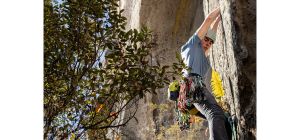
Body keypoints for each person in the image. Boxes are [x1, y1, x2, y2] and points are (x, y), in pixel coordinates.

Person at [179, 7, 228, 140]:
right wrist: (222, 7)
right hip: (193, 85)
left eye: (210, 42)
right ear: (200, 38)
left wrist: (219, 19)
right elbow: (208, 20)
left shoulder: (201, 55)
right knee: (215, 114)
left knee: (220, 115)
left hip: (194, 87)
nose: (208, 43)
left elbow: (212, 31)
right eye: (205, 40)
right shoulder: (192, 45)